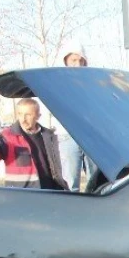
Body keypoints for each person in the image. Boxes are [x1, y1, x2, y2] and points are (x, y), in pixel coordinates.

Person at [0, 98, 65, 190]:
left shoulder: (49, 136)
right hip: (22, 195)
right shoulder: (7, 136)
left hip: (50, 192)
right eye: (20, 114)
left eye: (28, 115)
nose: (23, 119)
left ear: (38, 116)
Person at [56, 42, 88, 191]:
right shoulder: (58, 82)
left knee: (96, 182)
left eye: (80, 60)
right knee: (70, 183)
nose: (78, 64)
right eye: (73, 60)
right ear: (66, 61)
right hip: (68, 135)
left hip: (91, 136)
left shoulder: (90, 82)